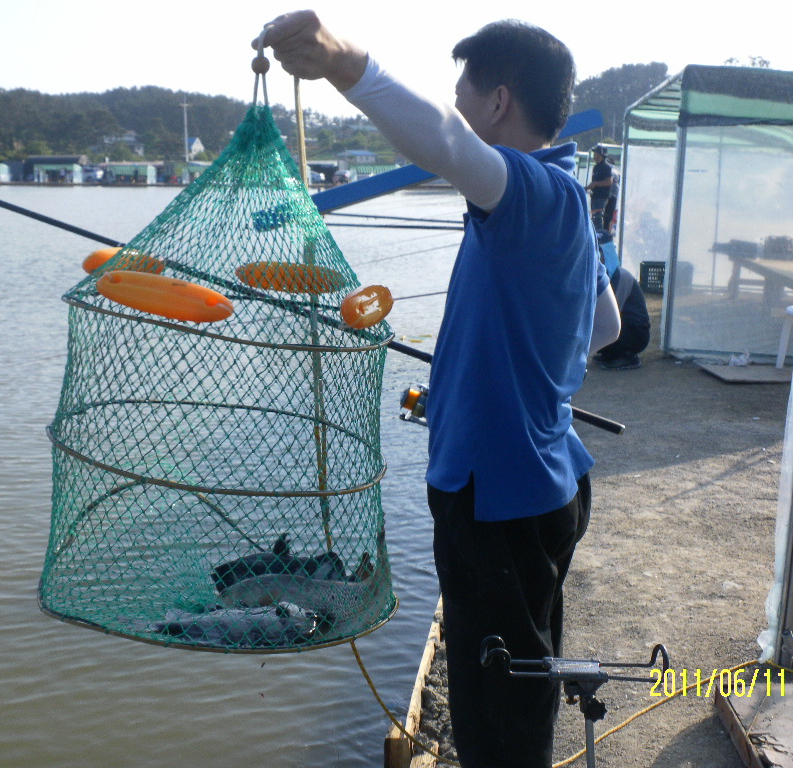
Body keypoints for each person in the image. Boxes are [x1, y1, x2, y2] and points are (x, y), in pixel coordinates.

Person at [257, 12, 620, 768]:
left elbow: (448, 144)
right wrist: (499, 381)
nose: (458, 111)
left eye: (464, 97)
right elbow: (606, 324)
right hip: (542, 480)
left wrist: (342, 61)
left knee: (497, 709)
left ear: (498, 101)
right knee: (524, 675)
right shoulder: (561, 205)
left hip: (501, 506)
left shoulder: (532, 195)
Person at [594, 234, 650, 370]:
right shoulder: (606, 276)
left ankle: (628, 357)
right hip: (627, 328)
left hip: (636, 333)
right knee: (602, 340)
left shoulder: (621, 276)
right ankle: (613, 353)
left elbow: (611, 312)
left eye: (600, 251)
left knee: (604, 331)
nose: (598, 256)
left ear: (607, 252)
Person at [585, 144, 613, 232]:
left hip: (601, 197)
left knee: (598, 217)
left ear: (600, 155)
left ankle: (599, 234)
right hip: (595, 196)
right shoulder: (596, 167)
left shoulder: (606, 167)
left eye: (596, 153)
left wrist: (596, 184)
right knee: (594, 217)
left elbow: (609, 181)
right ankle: (595, 233)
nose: (594, 155)